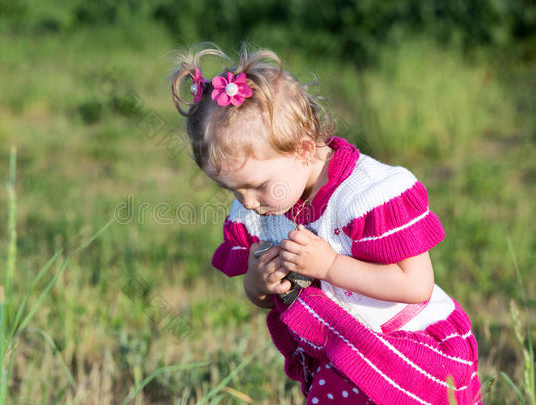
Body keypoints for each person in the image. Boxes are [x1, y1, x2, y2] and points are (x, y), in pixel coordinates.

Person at [170, 43, 482, 405]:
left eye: (257, 186)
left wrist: (331, 266)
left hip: (410, 348)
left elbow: (417, 285)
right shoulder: (263, 208)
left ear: (303, 149)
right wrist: (258, 283)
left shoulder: (365, 195)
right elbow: (260, 296)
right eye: (233, 190)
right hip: (346, 353)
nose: (249, 202)